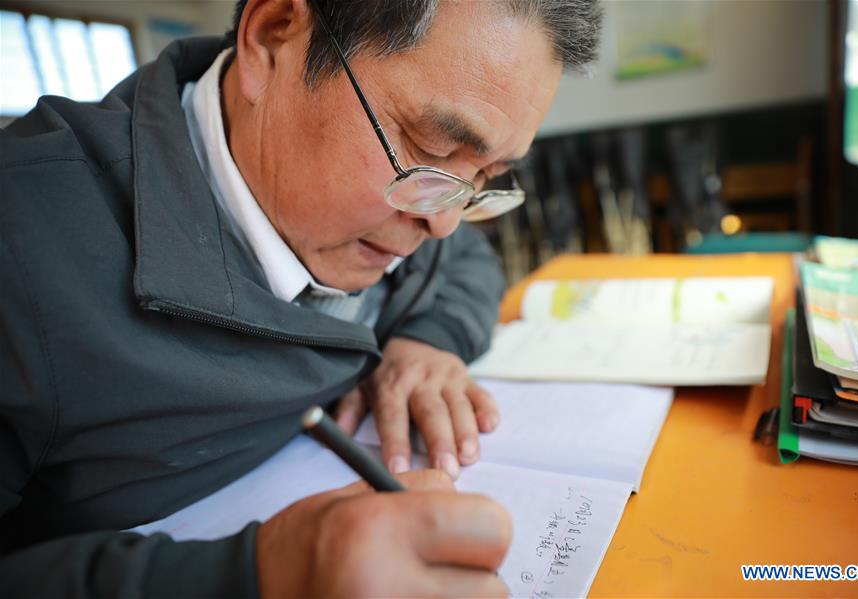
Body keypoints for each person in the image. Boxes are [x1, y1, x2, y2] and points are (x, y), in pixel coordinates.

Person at [0, 0, 601, 595]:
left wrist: (429, 341)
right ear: (272, 37)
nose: (443, 224)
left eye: (484, 180)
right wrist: (260, 576)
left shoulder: (399, 213)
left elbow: (465, 260)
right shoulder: (22, 246)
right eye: (431, 151)